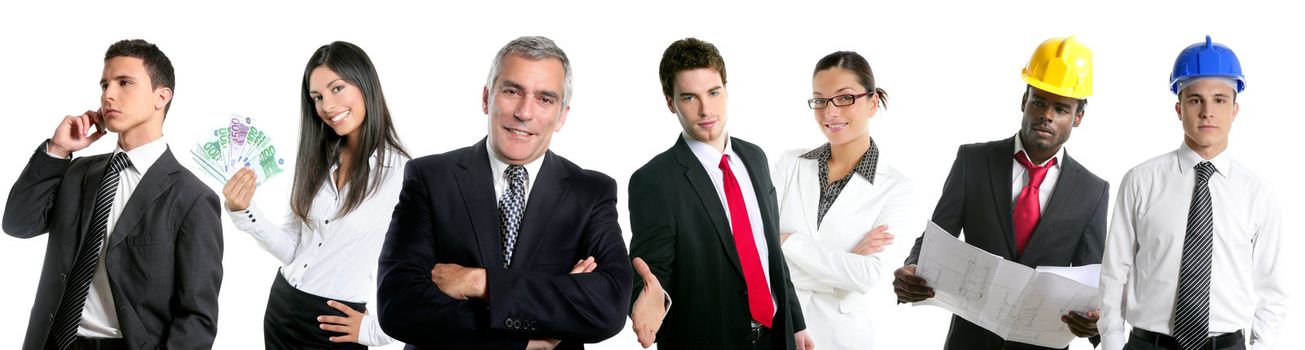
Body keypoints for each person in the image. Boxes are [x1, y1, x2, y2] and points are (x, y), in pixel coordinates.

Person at [376, 36, 631, 350]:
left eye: (545, 99)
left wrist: (479, 282)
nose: (524, 112)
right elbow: (397, 305)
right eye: (512, 91)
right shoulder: (430, 178)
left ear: (562, 115)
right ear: (487, 98)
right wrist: (525, 336)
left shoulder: (591, 192)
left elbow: (609, 307)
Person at [3, 39, 223, 350]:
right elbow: (18, 223)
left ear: (162, 96)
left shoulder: (192, 198)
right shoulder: (78, 173)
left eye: (124, 83)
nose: (108, 94)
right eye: (105, 84)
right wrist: (58, 149)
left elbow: (197, 317)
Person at [891, 36, 1108, 349]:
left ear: (1078, 117)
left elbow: (1091, 278)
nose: (1046, 115)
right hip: (970, 341)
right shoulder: (973, 161)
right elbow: (936, 238)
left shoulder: (1092, 191)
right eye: (1038, 102)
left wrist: (1095, 319)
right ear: (1024, 101)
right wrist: (913, 267)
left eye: (1060, 108)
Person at [1098, 35, 1287, 350]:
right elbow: (1115, 273)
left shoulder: (1259, 194)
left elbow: (1274, 289)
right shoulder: (1140, 181)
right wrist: (1113, 344)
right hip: (1148, 344)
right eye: (1195, 99)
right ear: (1178, 108)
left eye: (1219, 99)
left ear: (1235, 110)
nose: (1207, 111)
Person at [628, 37, 814, 350]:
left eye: (714, 92)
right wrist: (645, 303)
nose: (706, 109)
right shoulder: (655, 181)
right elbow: (651, 274)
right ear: (670, 102)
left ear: (726, 88)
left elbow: (769, 252)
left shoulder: (755, 157)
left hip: (775, 338)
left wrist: (795, 324)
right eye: (689, 97)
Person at [221, 41, 407, 349]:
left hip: (336, 329)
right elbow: (294, 248)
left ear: (366, 84)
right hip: (282, 311)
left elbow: (432, 280)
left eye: (337, 89)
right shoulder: (319, 161)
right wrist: (244, 212)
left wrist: (375, 331)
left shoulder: (403, 174)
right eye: (317, 97)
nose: (327, 107)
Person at [772, 50, 922, 350]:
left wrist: (785, 241)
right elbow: (755, 255)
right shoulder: (789, 165)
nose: (830, 112)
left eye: (844, 98)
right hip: (779, 331)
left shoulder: (897, 188)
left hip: (842, 339)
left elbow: (867, 277)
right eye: (820, 100)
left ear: (873, 102)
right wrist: (845, 262)